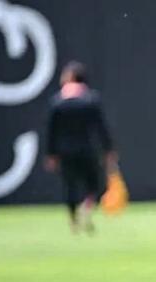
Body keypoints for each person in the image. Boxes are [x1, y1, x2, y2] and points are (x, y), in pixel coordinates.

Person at [44, 61, 116, 233]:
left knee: (70, 185)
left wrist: (51, 154)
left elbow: (51, 131)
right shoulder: (90, 100)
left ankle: (73, 219)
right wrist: (108, 150)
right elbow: (101, 128)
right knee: (94, 184)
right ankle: (87, 207)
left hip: (65, 150)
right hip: (87, 149)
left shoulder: (57, 103)